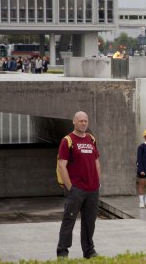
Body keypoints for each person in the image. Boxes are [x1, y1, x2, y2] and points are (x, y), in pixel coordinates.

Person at [56, 111, 101, 259]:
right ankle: (62, 252)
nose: (83, 123)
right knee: (69, 221)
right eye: (80, 120)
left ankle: (89, 251)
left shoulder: (91, 139)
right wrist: (70, 188)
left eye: (85, 121)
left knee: (89, 222)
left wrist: (98, 182)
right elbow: (62, 165)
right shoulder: (67, 140)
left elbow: (96, 162)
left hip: (92, 189)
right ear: (74, 122)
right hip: (76, 189)